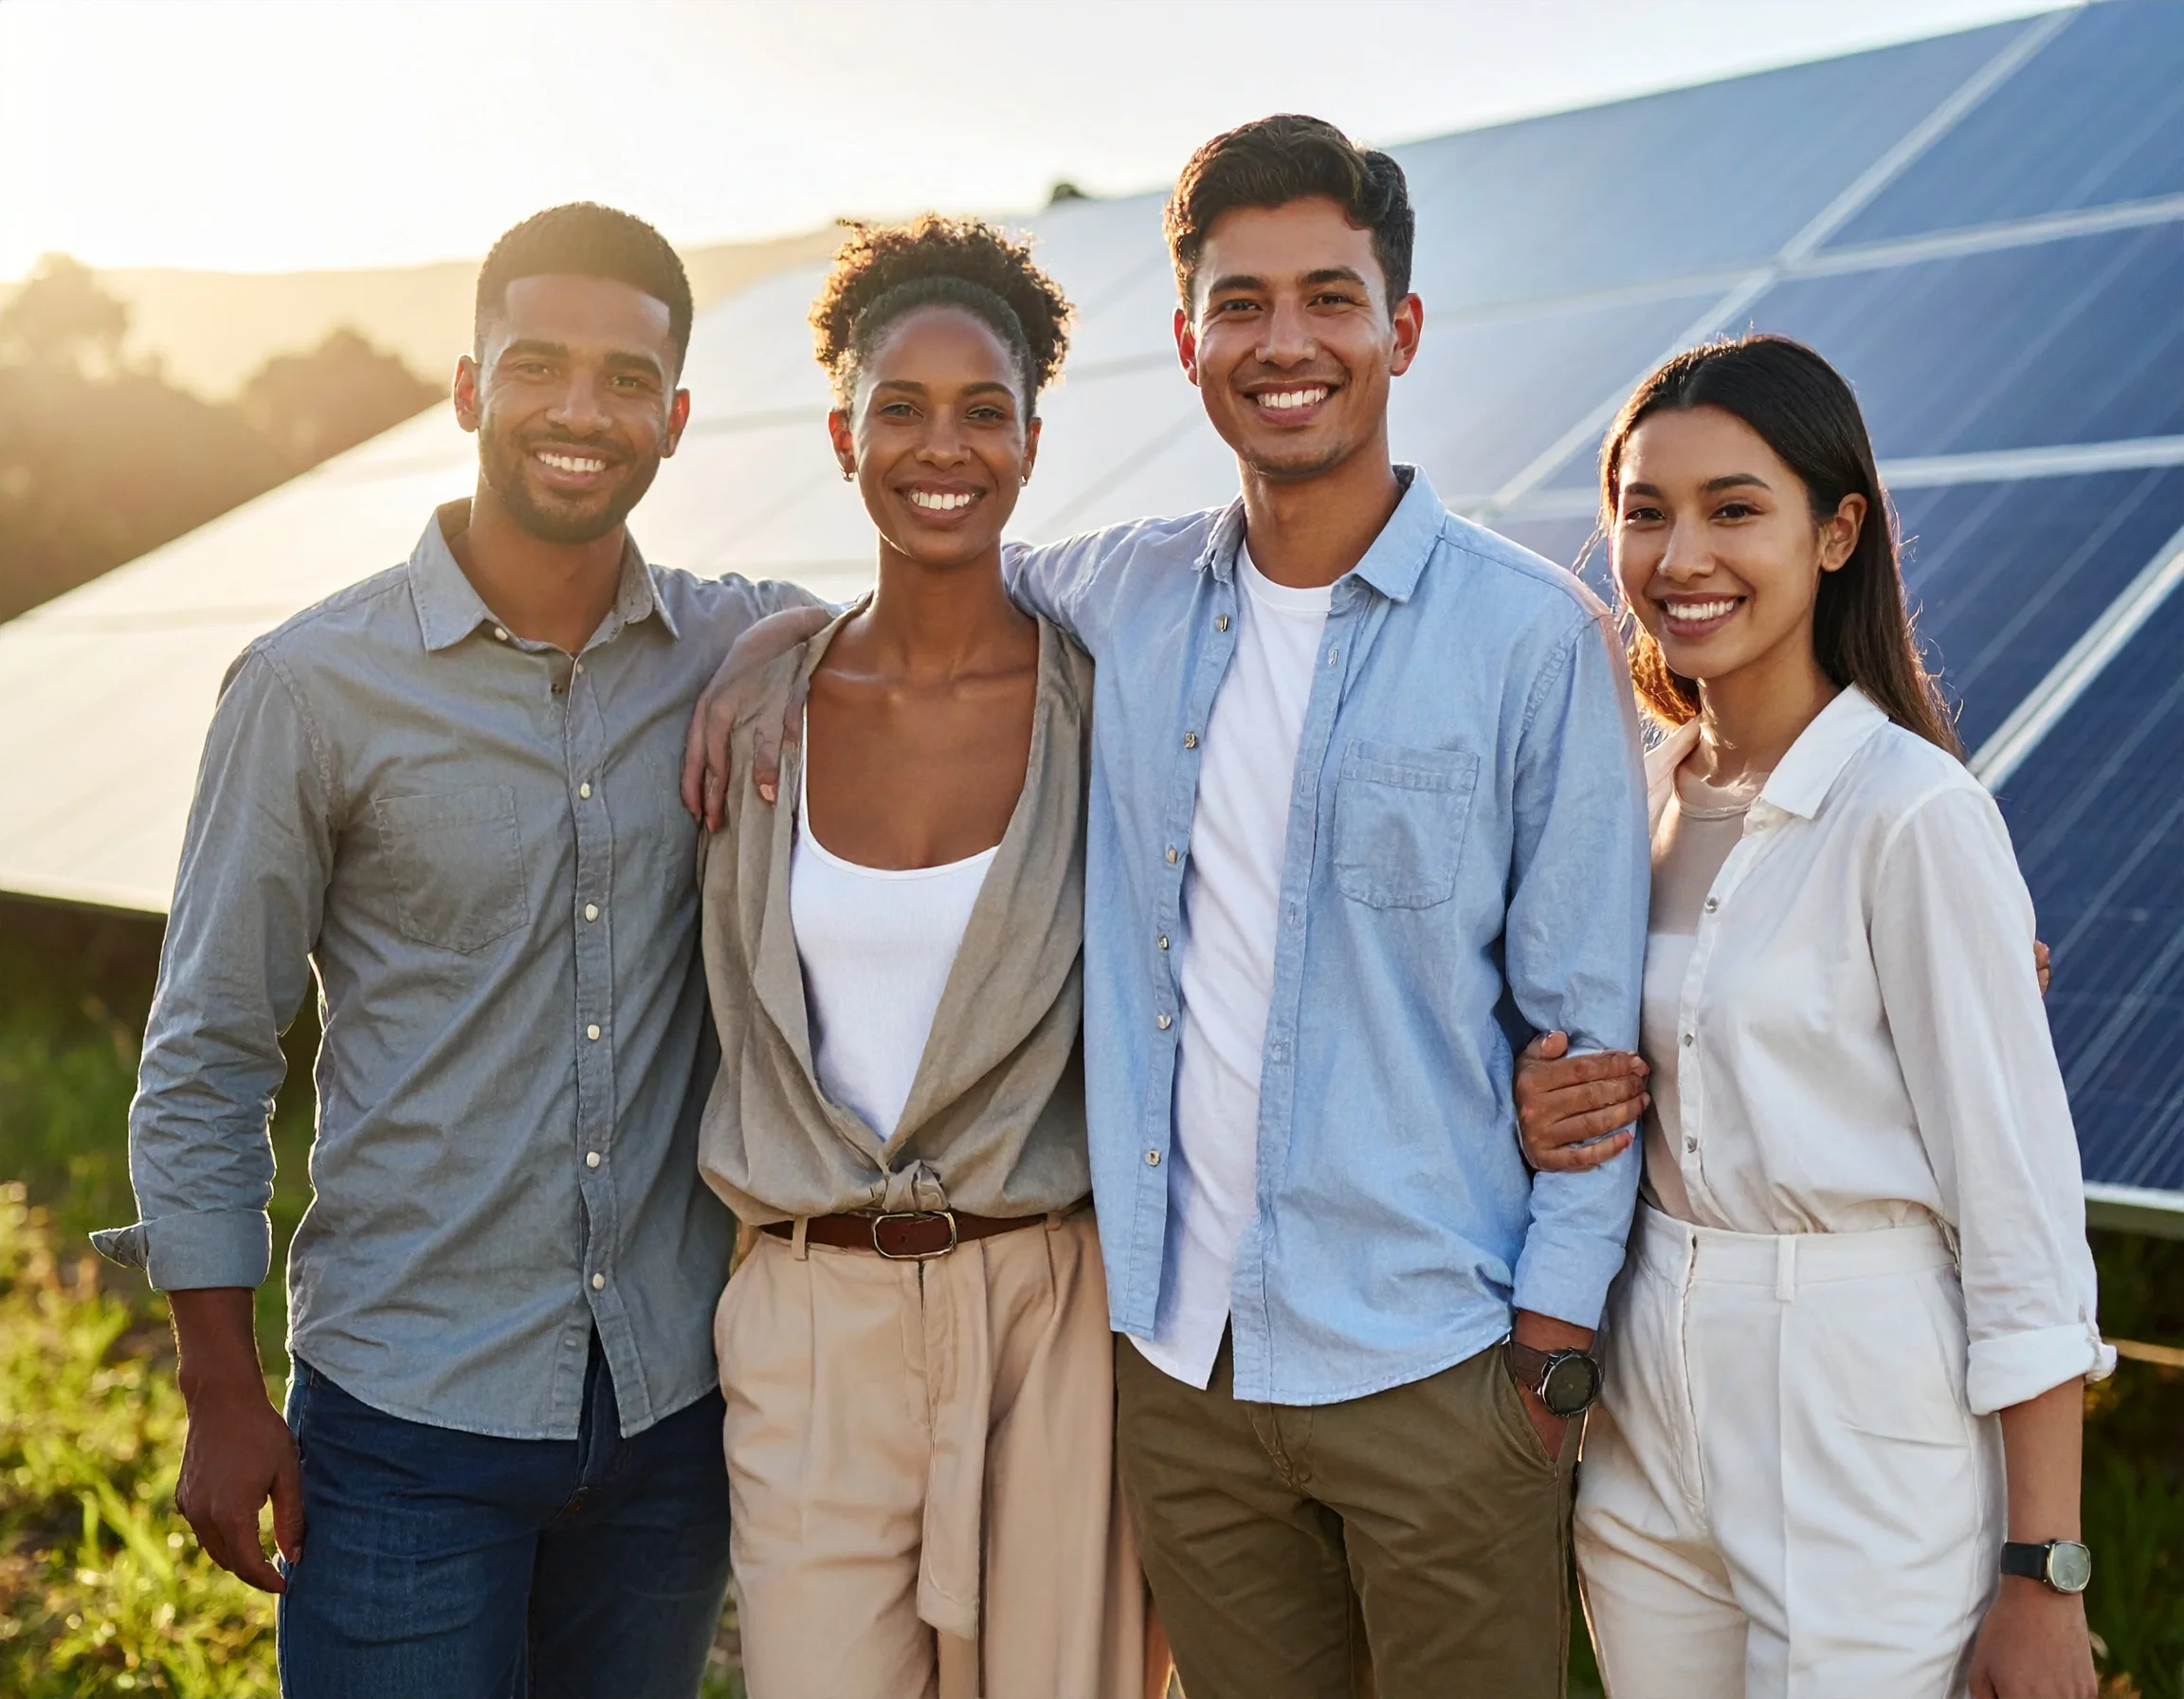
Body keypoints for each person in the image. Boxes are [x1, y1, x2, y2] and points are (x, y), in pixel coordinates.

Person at [686, 116, 1650, 1698]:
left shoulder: (1531, 640)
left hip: (1438, 1360)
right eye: (1243, 303)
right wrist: (769, 637)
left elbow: (1587, 1032)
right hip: (1179, 1375)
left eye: (1331, 299)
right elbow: (932, 551)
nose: (1289, 344)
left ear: (1401, 328)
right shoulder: (1119, 600)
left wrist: (1549, 1347)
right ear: (1189, 340)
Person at [94, 204, 823, 1697]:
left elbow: (923, 622)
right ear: (467, 387)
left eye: (628, 380)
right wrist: (220, 1393)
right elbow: (210, 1054)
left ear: (677, 419)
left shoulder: (725, 646)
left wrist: (787, 642)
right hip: (405, 1425)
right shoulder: (309, 689)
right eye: (539, 365)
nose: (581, 410)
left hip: (670, 1423)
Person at [1512, 335, 2112, 1699]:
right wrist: (1536, 1105)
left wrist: (2044, 1570)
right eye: (1645, 512)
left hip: (1861, 1392)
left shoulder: (1913, 815)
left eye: (1736, 509)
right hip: (1647, 1383)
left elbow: (2019, 1214)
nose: (1681, 556)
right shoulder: (1630, 794)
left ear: (1839, 532)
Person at [693, 215, 1151, 1699]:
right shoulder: (766, 704)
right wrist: (774, 639)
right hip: (810, 1312)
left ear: (1031, 441)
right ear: (841, 434)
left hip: (1047, 1312)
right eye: (899, 408)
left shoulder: (1115, 703)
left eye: (982, 411)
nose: (939, 446)